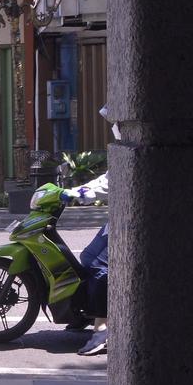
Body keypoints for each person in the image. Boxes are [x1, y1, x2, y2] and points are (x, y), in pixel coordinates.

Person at [64, 105, 116, 356]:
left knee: (98, 266)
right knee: (87, 257)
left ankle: (103, 329)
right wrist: (75, 192)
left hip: (126, 221)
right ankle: (85, 313)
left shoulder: (131, 142)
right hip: (117, 218)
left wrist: (77, 193)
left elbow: (107, 183)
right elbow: (106, 179)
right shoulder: (122, 144)